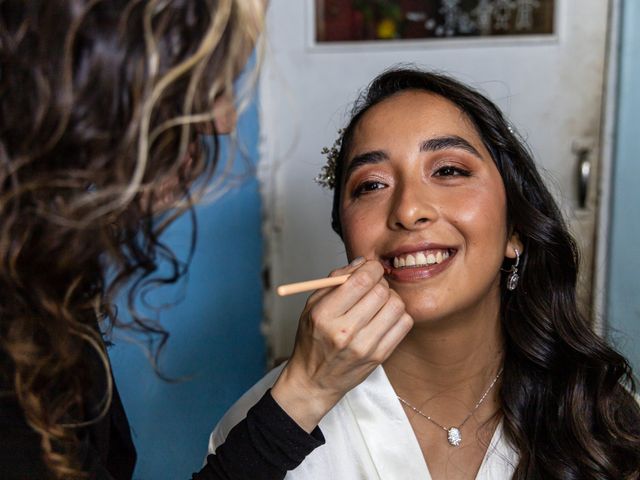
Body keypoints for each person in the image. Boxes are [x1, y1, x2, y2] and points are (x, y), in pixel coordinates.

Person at [0, 2, 412, 479]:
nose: (224, 121)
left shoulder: (38, 264)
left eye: (449, 171)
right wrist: (307, 391)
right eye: (205, 80)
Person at [209, 67, 640, 479]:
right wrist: (304, 394)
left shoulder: (601, 421)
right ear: (345, 233)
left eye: (449, 170)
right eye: (371, 185)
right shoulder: (262, 428)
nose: (409, 210)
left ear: (515, 230)